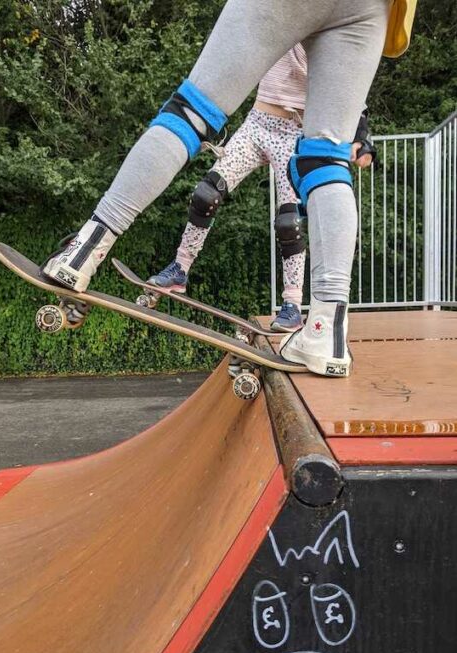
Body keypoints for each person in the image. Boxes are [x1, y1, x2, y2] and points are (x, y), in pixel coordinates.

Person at [42, 0, 417, 377]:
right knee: (326, 160)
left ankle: (84, 251)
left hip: (291, 122)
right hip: (371, 8)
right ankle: (326, 331)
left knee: (190, 113)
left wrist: (363, 135)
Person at [146, 46, 375, 333]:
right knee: (206, 193)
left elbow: (350, 87)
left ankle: (292, 305)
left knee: (289, 222)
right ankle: (179, 268)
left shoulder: (324, 33)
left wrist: (362, 139)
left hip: (293, 134)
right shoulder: (276, 16)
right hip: (256, 125)